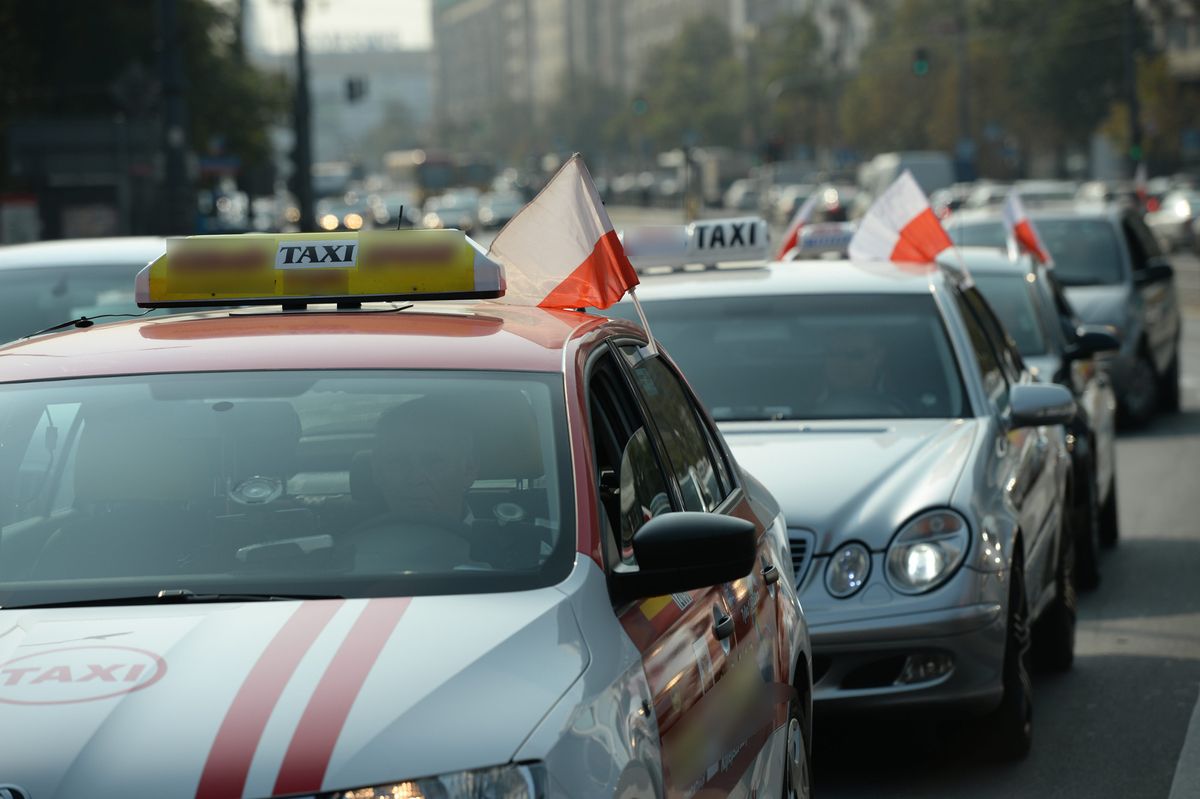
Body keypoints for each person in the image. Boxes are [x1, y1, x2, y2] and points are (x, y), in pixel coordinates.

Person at [354, 398, 479, 570]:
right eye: (397, 461)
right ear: (376, 472)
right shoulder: (340, 553)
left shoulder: (517, 553)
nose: (414, 479)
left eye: (434, 462)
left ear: (468, 471)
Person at [812, 327, 903, 417]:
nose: (842, 362)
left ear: (878, 356)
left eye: (854, 354)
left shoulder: (907, 406)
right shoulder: (803, 404)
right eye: (833, 353)